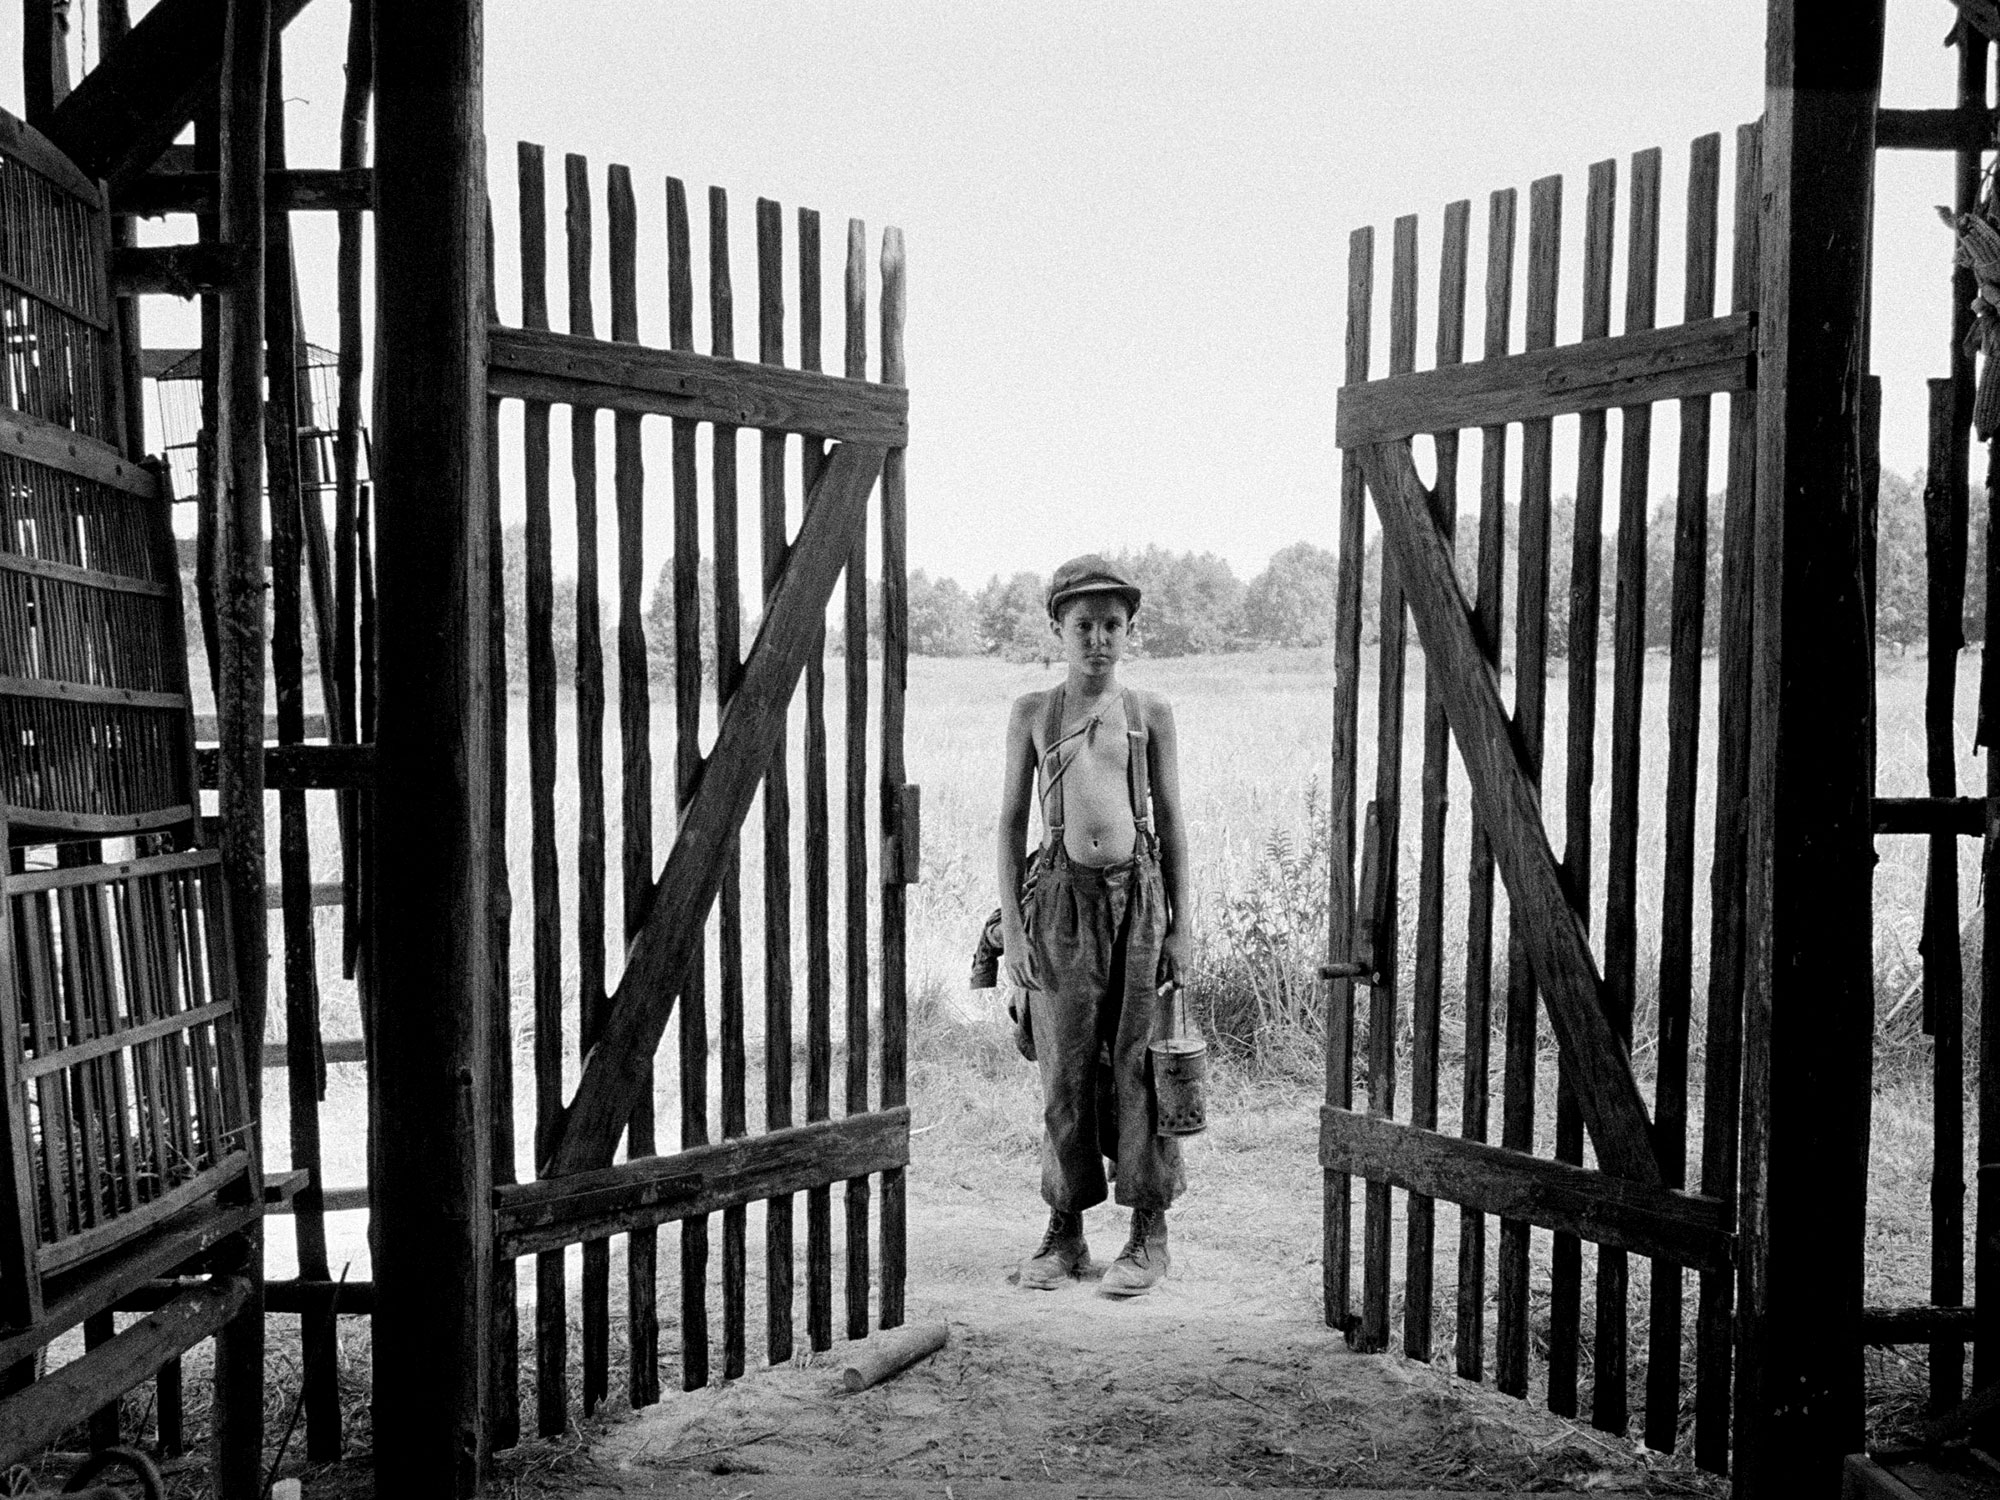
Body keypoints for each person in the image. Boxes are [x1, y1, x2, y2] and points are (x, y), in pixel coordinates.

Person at [994, 554, 1190, 1296]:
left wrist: (1181, 928)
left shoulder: (1150, 714)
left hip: (1138, 904)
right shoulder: (1033, 713)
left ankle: (1148, 1234)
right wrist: (1016, 935)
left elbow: (1173, 823)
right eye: (1084, 625)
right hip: (1058, 908)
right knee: (1065, 1070)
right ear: (1058, 629)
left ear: (1130, 630)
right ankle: (1065, 1232)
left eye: (1113, 625)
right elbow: (1008, 825)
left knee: (1142, 1068)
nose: (1099, 640)